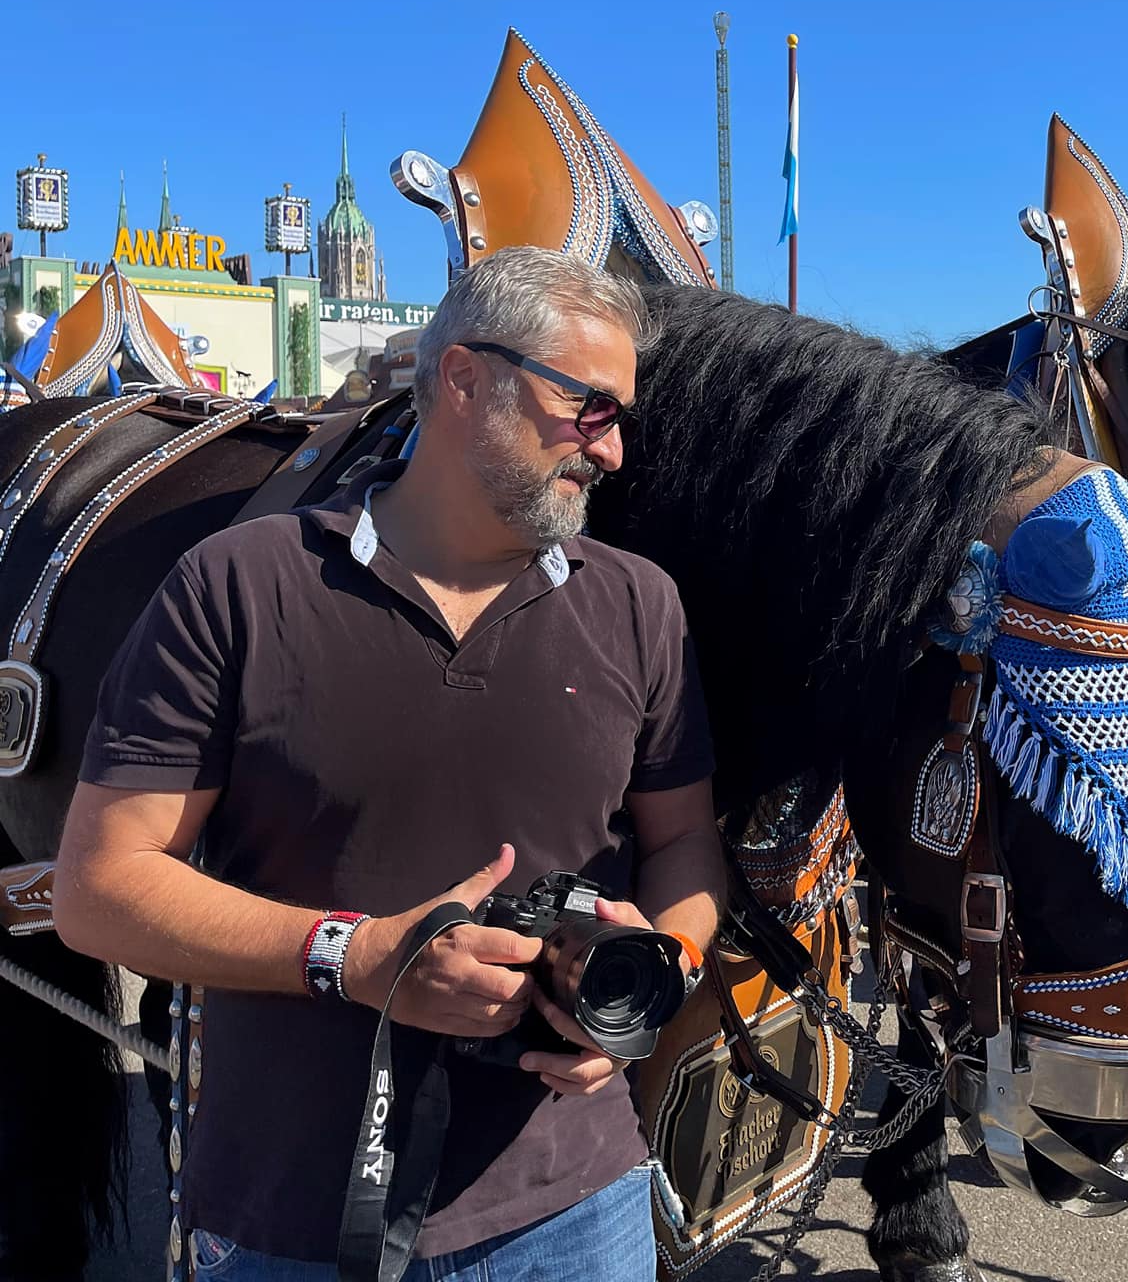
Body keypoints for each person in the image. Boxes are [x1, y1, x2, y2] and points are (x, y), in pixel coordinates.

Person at [54, 247, 723, 1278]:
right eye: (590, 407)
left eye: (623, 417)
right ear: (464, 379)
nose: (616, 451)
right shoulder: (240, 586)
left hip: (583, 1213)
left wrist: (659, 968)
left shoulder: (640, 605)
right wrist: (358, 961)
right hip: (293, 1227)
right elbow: (99, 893)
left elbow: (684, 844)